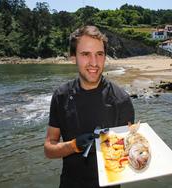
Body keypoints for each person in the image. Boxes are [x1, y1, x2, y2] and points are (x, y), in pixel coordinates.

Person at [44, 25, 135, 188]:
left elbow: (128, 150)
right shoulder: (61, 96)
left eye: (99, 54)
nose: (94, 62)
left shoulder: (122, 100)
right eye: (86, 54)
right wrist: (73, 145)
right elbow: (49, 149)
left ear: (105, 57)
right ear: (73, 58)